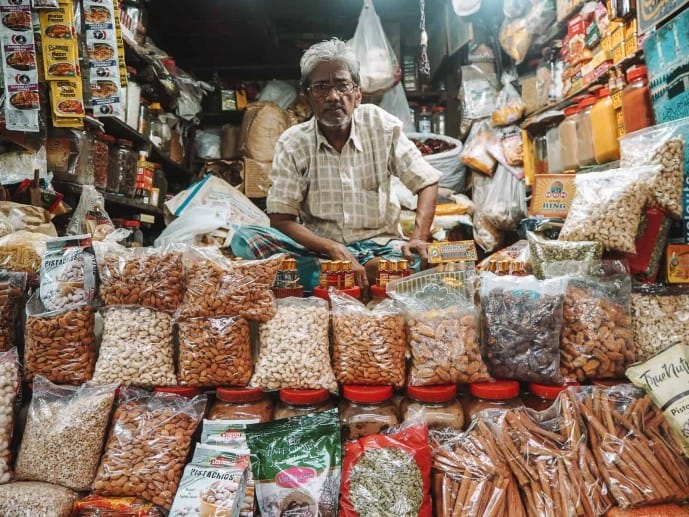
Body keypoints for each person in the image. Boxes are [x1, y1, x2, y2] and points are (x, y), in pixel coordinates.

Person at [231, 38, 441, 292]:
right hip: (320, 251)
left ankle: (346, 276)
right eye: (321, 87)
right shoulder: (293, 142)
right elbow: (281, 219)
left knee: (427, 259)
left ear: (358, 94)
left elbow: (426, 181)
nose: (333, 96)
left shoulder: (380, 125)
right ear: (306, 96)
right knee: (245, 238)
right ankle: (364, 275)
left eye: (342, 86)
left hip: (382, 245)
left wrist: (418, 238)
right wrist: (332, 248)